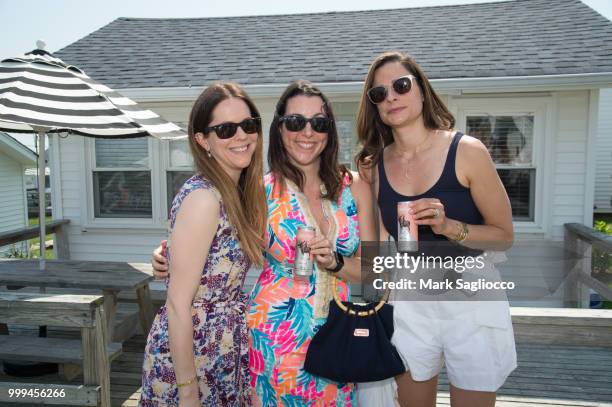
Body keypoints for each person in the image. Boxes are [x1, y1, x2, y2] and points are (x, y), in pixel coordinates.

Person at [151, 80, 375, 405]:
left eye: (319, 123)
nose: (307, 132)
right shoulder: (256, 191)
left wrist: (337, 264)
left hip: (340, 339)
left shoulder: (356, 187)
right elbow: (206, 238)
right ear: (280, 128)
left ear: (331, 130)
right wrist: (164, 256)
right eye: (296, 122)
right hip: (271, 345)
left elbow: (379, 273)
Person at [355, 51, 517, 407]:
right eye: (379, 94)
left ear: (422, 90)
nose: (391, 97)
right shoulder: (375, 167)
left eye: (400, 85)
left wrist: (450, 227)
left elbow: (504, 233)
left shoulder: (467, 151)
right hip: (410, 297)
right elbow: (376, 240)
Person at [140, 82, 267, 406]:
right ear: (202, 140)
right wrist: (188, 392)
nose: (241, 136)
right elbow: (177, 305)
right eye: (225, 129)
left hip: (222, 349)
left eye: (248, 125)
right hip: (192, 355)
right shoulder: (204, 198)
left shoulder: (236, 193)